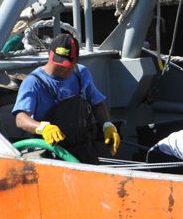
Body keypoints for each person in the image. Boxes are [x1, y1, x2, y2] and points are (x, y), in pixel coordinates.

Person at [12, 33, 120, 164]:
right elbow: (21, 119)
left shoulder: (81, 74)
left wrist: (107, 125)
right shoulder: (34, 82)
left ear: (75, 62)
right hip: (53, 152)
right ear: (50, 56)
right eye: (58, 63)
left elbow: (97, 103)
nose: (63, 68)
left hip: (84, 149)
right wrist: (42, 127)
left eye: (68, 65)